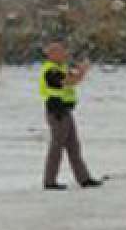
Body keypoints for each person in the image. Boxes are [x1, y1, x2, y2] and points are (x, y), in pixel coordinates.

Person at [40, 42, 102, 190]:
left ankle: (84, 178)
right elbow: (67, 82)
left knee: (73, 147)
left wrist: (80, 72)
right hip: (57, 112)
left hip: (65, 112)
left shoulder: (60, 68)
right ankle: (50, 181)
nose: (64, 55)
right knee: (57, 148)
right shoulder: (50, 70)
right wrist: (82, 72)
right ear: (52, 55)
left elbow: (73, 79)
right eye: (61, 52)